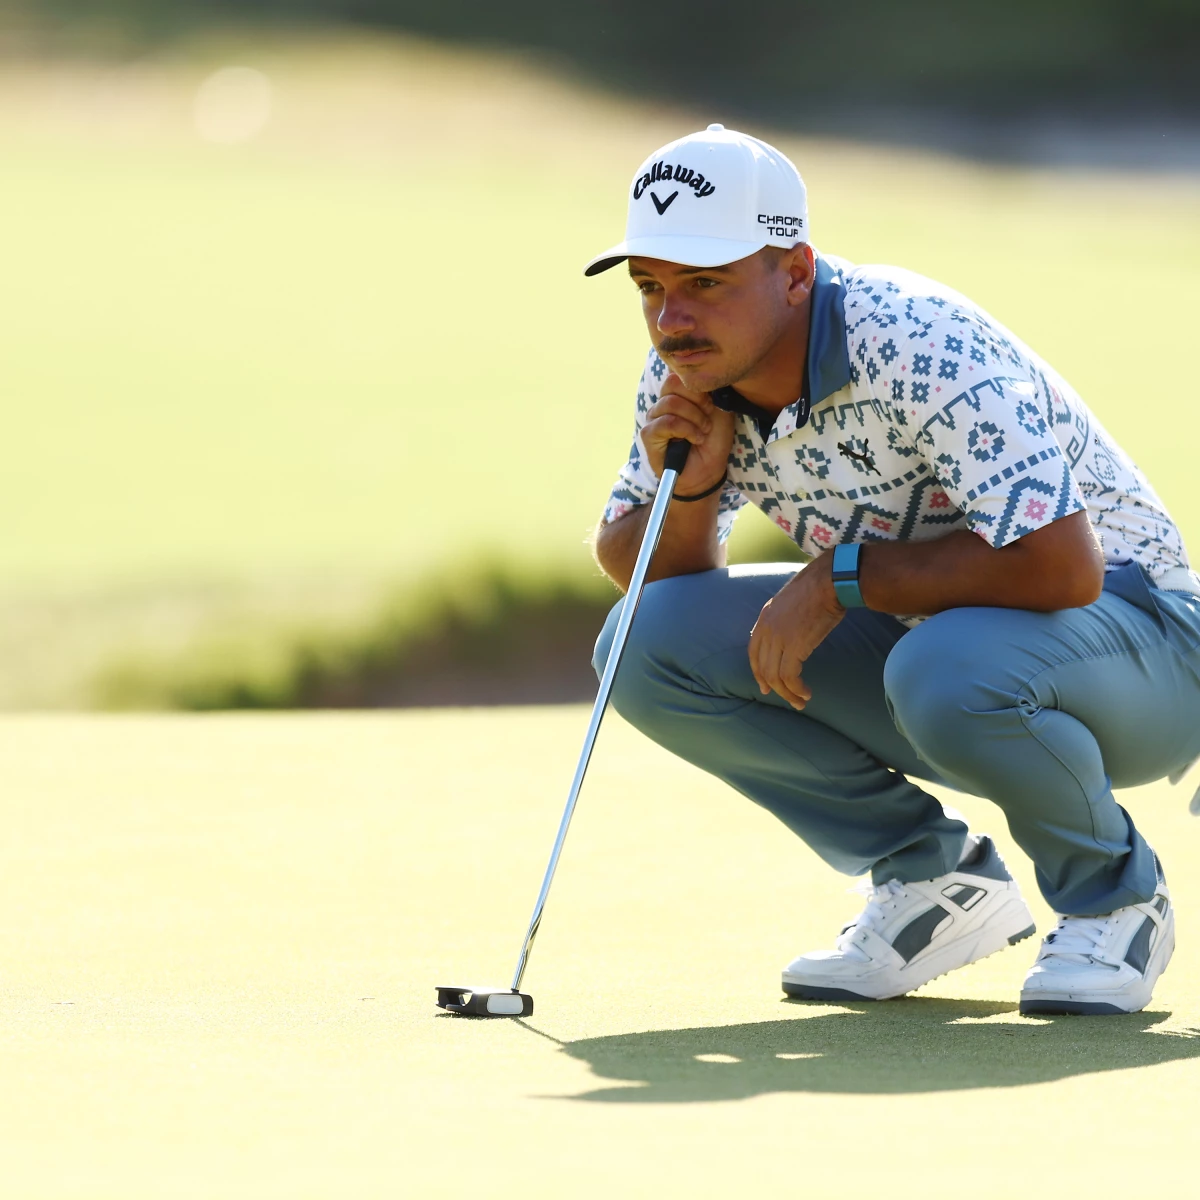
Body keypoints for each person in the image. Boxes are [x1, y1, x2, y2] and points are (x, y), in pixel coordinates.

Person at [587, 124, 1199, 1015]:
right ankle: (935, 883)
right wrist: (698, 489)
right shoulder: (689, 368)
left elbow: (1062, 568)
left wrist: (844, 576)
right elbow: (641, 567)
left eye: (705, 284)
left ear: (794, 272)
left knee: (941, 666)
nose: (672, 318)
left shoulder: (915, 339)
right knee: (642, 644)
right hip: (952, 652)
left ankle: (1117, 898)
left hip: (1147, 643)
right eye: (651, 288)